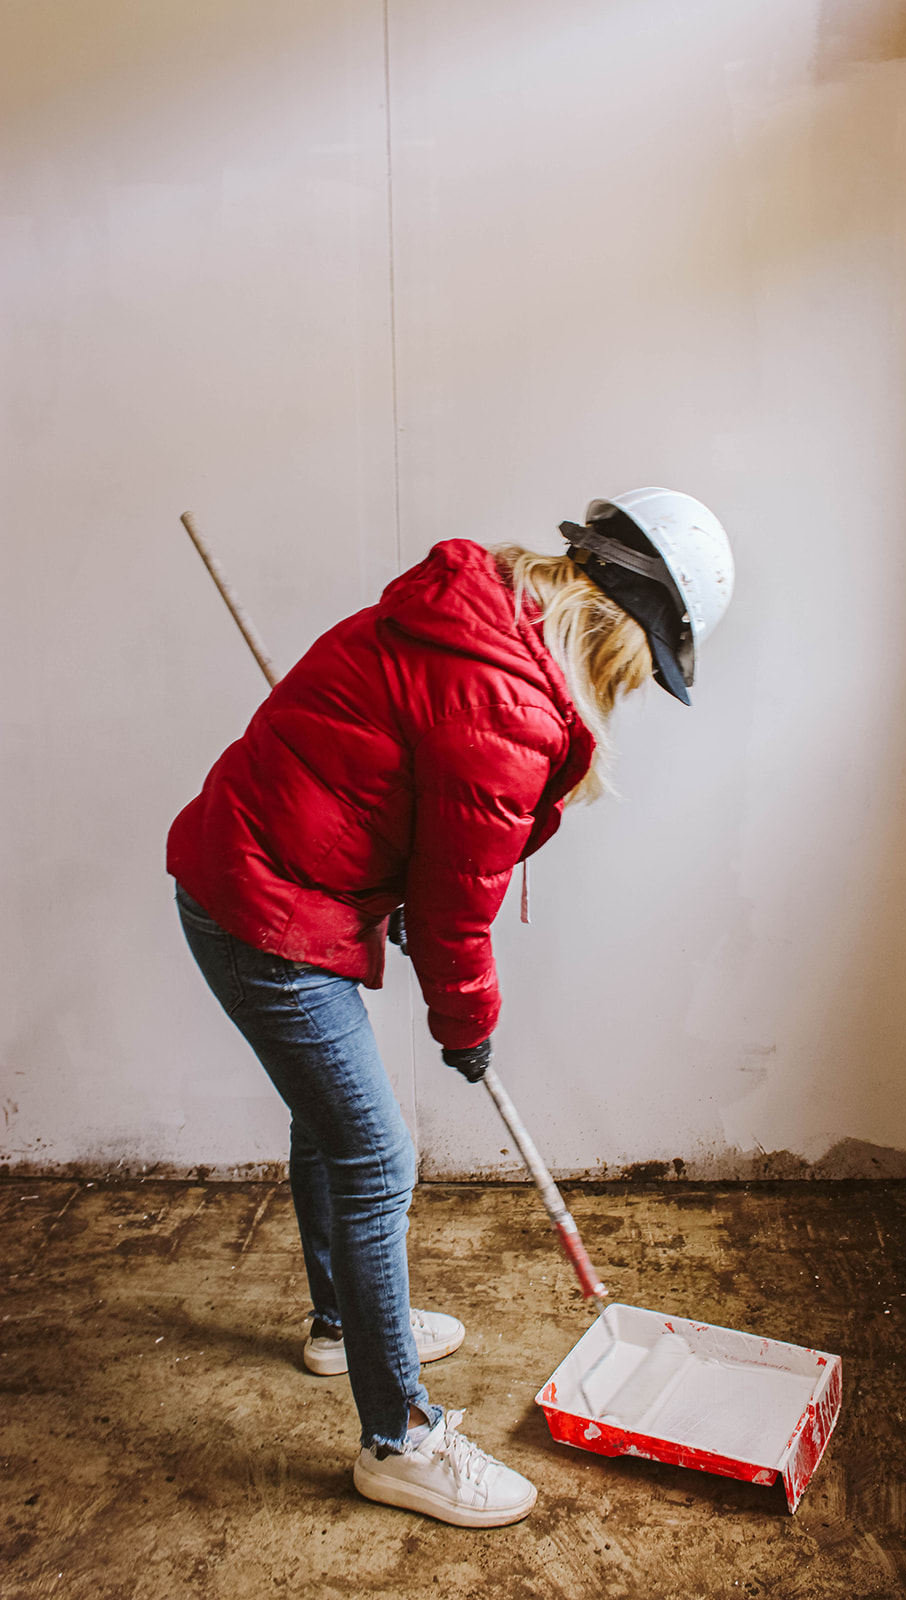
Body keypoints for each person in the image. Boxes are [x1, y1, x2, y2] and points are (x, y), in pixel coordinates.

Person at [167, 487, 734, 1528]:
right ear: (620, 633)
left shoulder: (477, 613)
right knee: (377, 1158)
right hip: (262, 907)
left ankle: (341, 1325)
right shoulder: (511, 707)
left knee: (330, 1128)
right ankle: (400, 1442)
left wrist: (384, 879)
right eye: (642, 669)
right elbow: (455, 912)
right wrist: (465, 1029)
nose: (632, 690)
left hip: (260, 871)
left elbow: (381, 789)